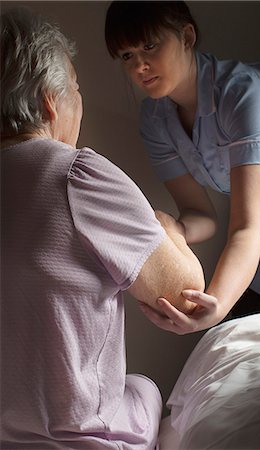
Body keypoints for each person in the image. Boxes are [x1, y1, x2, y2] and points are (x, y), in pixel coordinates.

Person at [0, 8, 205, 449]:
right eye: (76, 89)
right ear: (49, 101)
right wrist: (164, 224)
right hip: (83, 440)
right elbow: (186, 292)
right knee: (145, 389)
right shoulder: (76, 174)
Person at [105, 0, 260, 334]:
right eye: (127, 55)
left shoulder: (245, 95)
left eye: (149, 46)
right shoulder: (155, 120)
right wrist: (170, 230)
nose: (140, 66)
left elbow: (245, 227)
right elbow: (200, 215)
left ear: (187, 36)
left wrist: (219, 304)